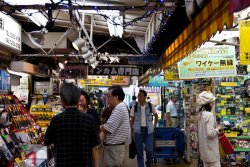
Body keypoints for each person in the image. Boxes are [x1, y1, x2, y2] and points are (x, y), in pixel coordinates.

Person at [44, 83, 100, 167]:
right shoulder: (89, 119)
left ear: (62, 100)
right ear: (78, 100)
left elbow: (47, 141)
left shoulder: (56, 120)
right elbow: (95, 148)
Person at [99, 86, 130, 167]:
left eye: (109, 96)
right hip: (114, 148)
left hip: (114, 149)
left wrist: (101, 128)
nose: (107, 99)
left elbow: (108, 127)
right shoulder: (120, 107)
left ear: (116, 97)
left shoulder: (119, 108)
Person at [130, 90, 158, 167]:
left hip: (149, 131)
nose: (139, 97)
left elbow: (156, 116)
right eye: (138, 96)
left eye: (140, 96)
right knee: (139, 152)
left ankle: (148, 163)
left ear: (145, 97)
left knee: (149, 150)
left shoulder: (150, 106)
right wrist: (131, 130)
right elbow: (131, 119)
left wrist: (154, 126)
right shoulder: (134, 107)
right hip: (138, 131)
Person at [197, 91, 222, 167]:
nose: (213, 104)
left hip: (204, 151)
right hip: (211, 152)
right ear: (208, 103)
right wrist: (218, 128)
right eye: (212, 102)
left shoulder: (200, 114)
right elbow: (210, 134)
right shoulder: (209, 115)